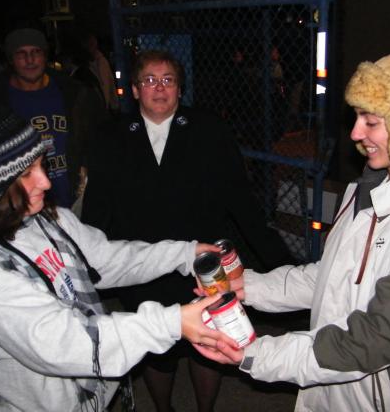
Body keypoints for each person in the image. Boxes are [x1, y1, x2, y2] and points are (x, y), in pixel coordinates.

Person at [197, 51, 390, 411]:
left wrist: (253, 354)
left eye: (371, 121)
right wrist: (245, 286)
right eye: (358, 117)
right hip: (323, 389)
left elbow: (372, 341)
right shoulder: (367, 189)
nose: (356, 133)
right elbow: (327, 278)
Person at [0, 104, 234, 412]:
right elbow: (62, 342)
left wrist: (184, 252)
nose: (46, 183)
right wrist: (171, 322)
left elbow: (106, 260)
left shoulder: (47, 218)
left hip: (93, 393)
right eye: (27, 173)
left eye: (41, 166)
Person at [81, 49, 294, 412]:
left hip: (201, 266)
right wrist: (85, 264)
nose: (159, 88)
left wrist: (281, 265)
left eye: (168, 80)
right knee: (156, 348)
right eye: (149, 80)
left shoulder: (208, 129)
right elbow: (97, 209)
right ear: (134, 90)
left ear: (180, 89)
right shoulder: (111, 137)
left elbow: (240, 200)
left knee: (208, 344)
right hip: (141, 265)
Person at [0, 28, 106, 209]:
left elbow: (99, 138)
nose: (30, 59)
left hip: (74, 201)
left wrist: (88, 169)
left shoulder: (75, 94)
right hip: (21, 206)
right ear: (11, 59)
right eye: (21, 54)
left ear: (45, 56)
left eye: (36, 52)